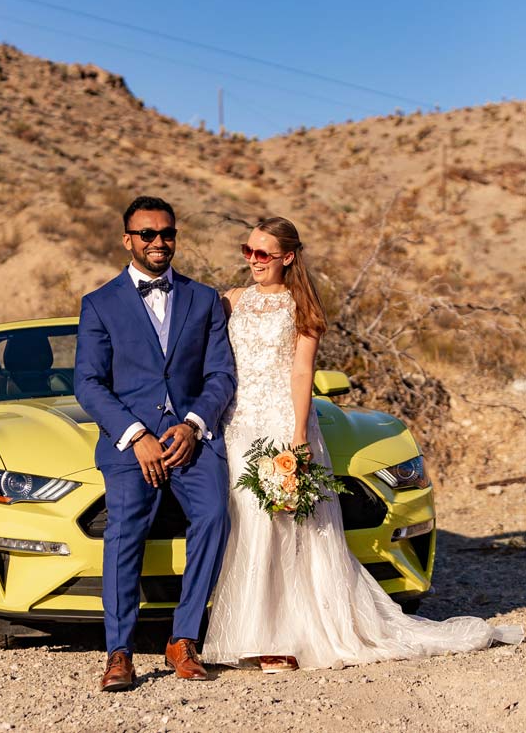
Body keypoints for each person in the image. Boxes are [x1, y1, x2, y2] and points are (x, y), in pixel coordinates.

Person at [202, 216, 523, 671]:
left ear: (287, 257)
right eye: (247, 251)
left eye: (262, 253)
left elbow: (300, 373)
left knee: (284, 527)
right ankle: (245, 634)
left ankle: (284, 636)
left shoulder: (301, 308)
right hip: (238, 424)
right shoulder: (231, 300)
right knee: (247, 523)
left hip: (280, 423)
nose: (252, 260)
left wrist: (297, 437)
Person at [75, 196, 235, 691]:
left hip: (191, 439)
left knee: (214, 515)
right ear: (128, 240)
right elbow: (88, 383)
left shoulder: (204, 299)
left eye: (167, 233)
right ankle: (119, 652)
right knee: (124, 531)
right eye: (148, 234)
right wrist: (135, 434)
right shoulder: (99, 304)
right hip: (131, 445)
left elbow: (221, 374)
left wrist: (192, 425)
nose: (159, 242)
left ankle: (183, 639)